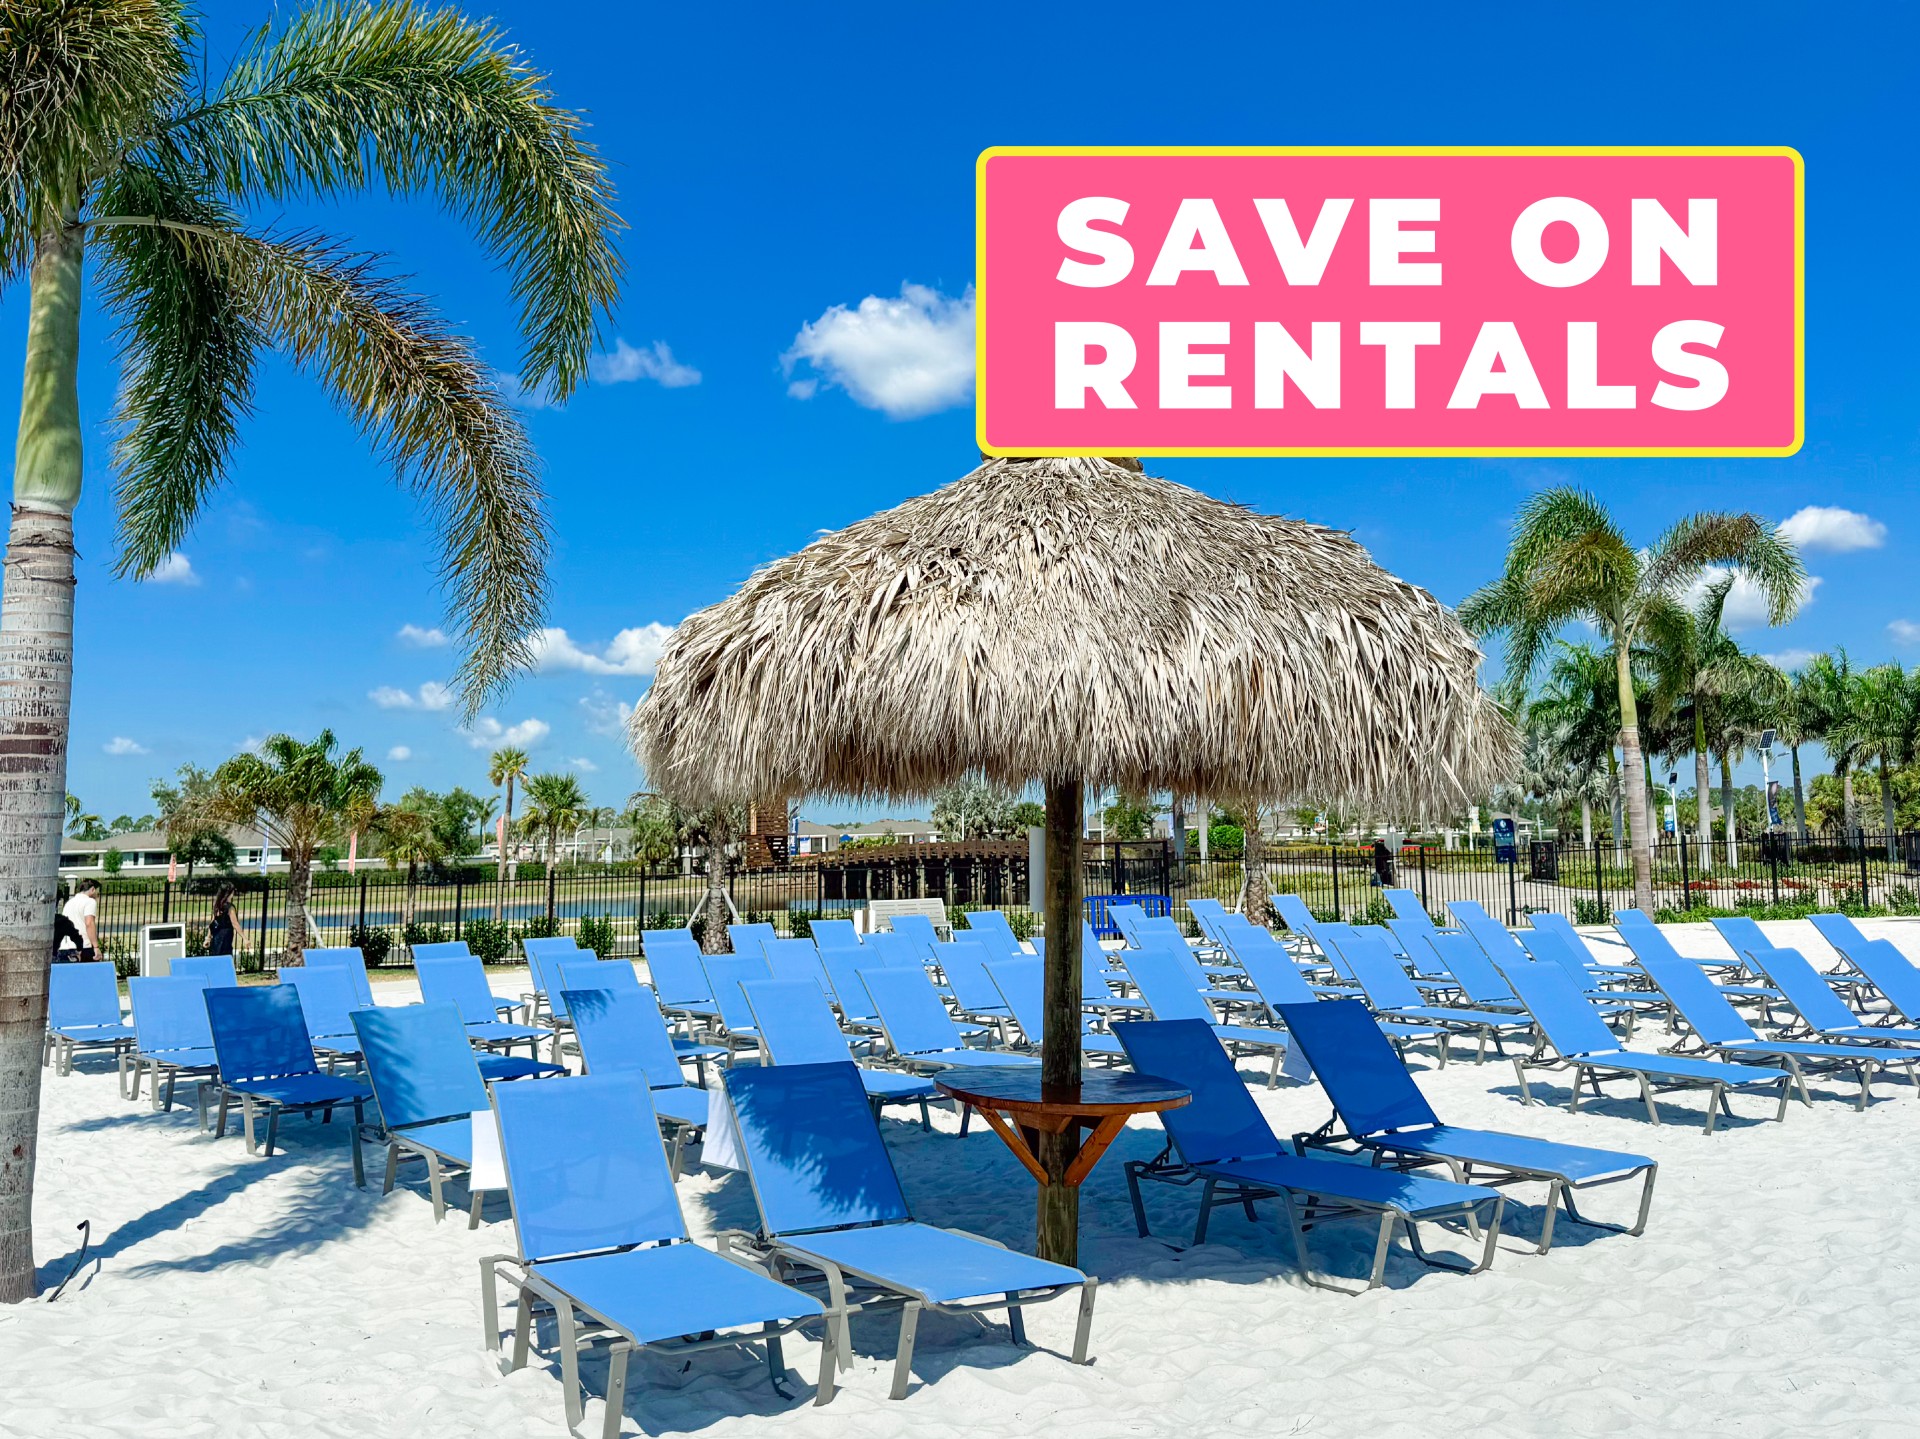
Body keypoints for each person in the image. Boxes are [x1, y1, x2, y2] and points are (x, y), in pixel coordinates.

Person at [56, 879, 101, 962]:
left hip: (65, 946)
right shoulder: (90, 902)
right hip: (83, 947)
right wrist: (95, 947)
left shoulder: (69, 903)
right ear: (93, 889)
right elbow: (89, 923)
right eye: (97, 892)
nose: (98, 895)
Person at [208, 883, 238, 957]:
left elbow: (212, 923)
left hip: (216, 938)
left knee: (216, 959)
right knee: (226, 959)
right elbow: (235, 923)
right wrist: (245, 938)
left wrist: (208, 937)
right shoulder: (229, 908)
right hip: (226, 938)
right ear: (230, 893)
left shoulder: (217, 906)